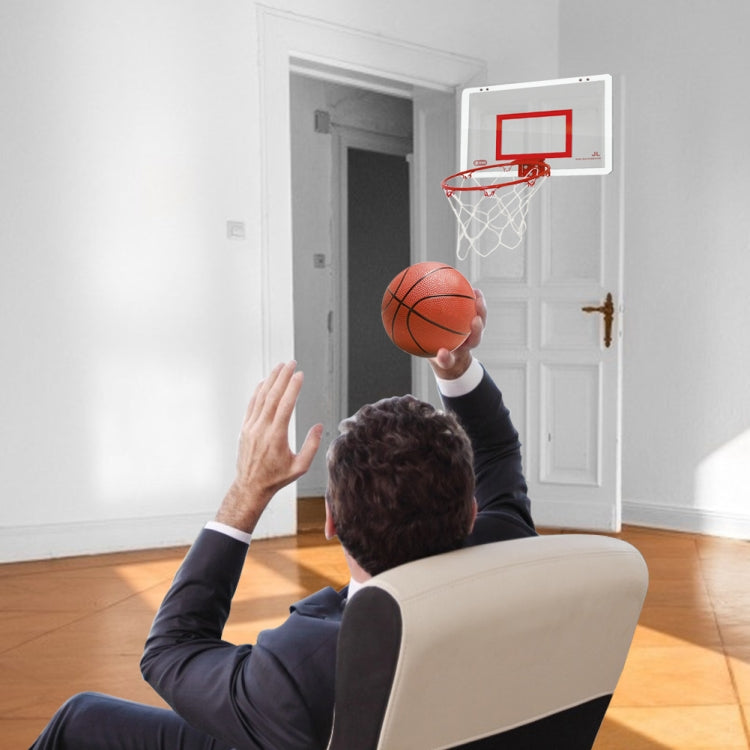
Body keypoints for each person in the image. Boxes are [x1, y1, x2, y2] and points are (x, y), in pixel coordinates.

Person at [29, 290, 536, 750]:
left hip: (292, 730)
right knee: (84, 719)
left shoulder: (301, 666)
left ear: (331, 520)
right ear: (471, 512)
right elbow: (495, 449)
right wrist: (457, 367)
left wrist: (248, 491)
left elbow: (170, 651)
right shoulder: (508, 547)